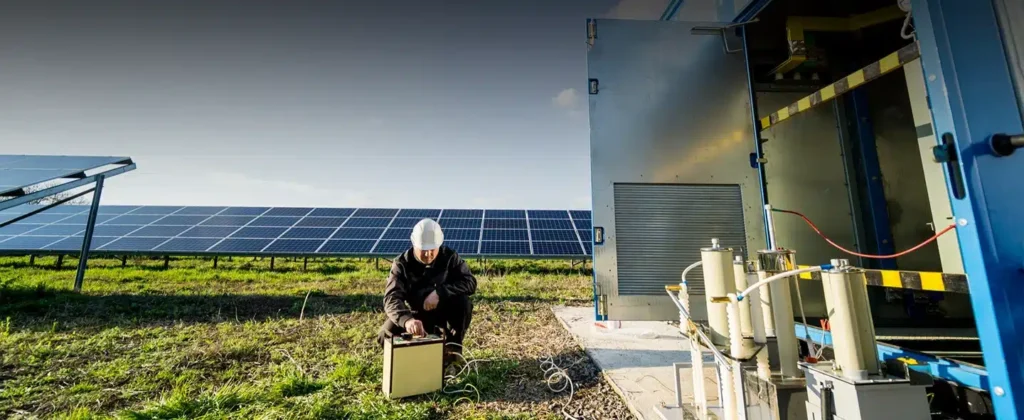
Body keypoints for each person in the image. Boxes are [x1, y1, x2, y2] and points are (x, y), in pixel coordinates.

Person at [377, 218, 477, 360]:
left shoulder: (449, 257)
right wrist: (407, 320)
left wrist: (440, 293)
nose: (428, 254)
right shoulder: (402, 264)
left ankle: (452, 351)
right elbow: (391, 298)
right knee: (385, 335)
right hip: (415, 315)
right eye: (423, 249)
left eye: (432, 249)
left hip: (443, 311)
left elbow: (469, 282)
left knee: (463, 302)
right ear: (414, 244)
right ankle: (408, 360)